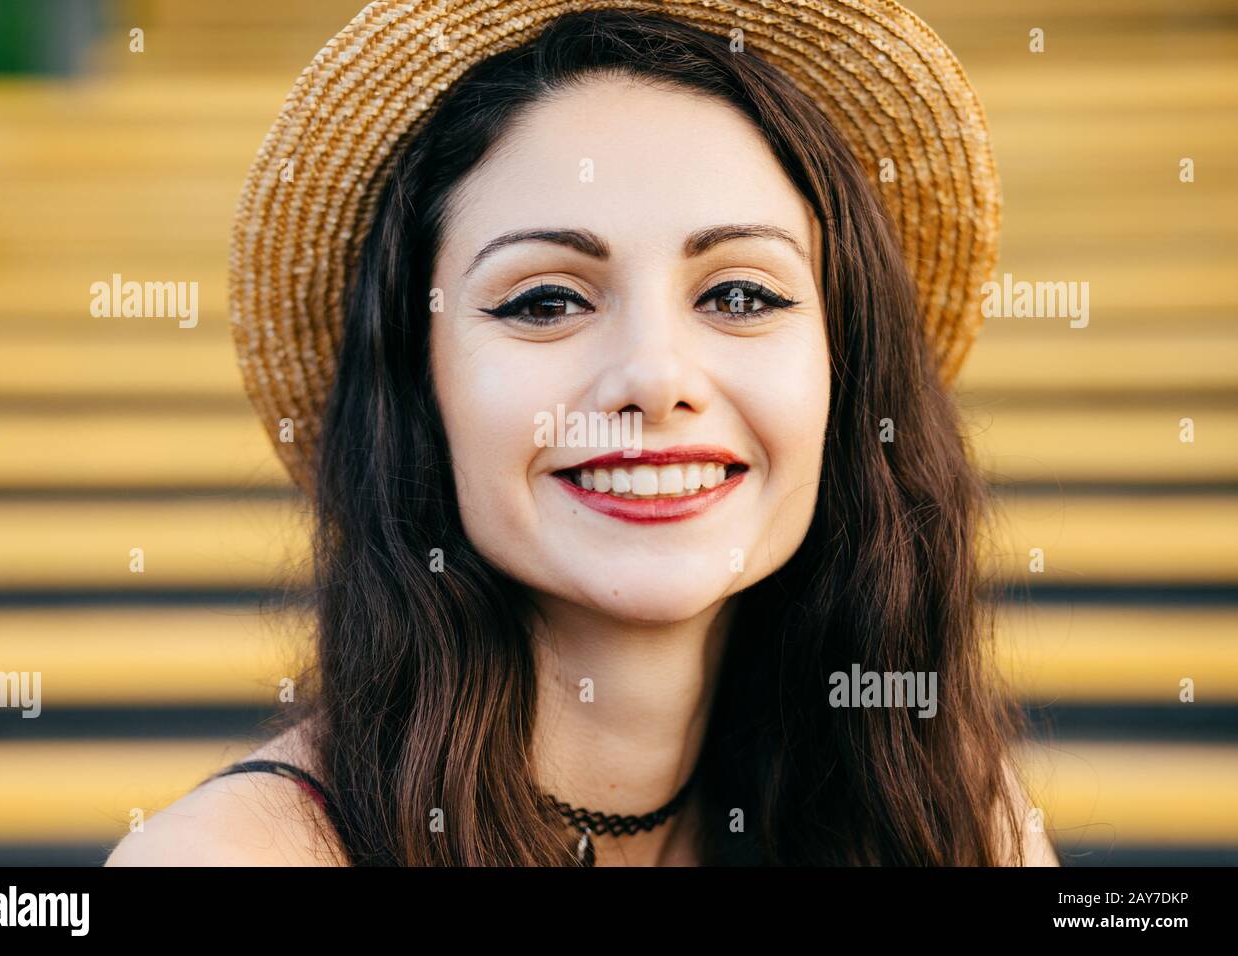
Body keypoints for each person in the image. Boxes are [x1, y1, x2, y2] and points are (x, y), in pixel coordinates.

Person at [107, 1, 1060, 867]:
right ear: (418, 381)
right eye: (547, 300)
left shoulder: (952, 822)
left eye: (739, 293)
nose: (653, 377)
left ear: (844, 371)